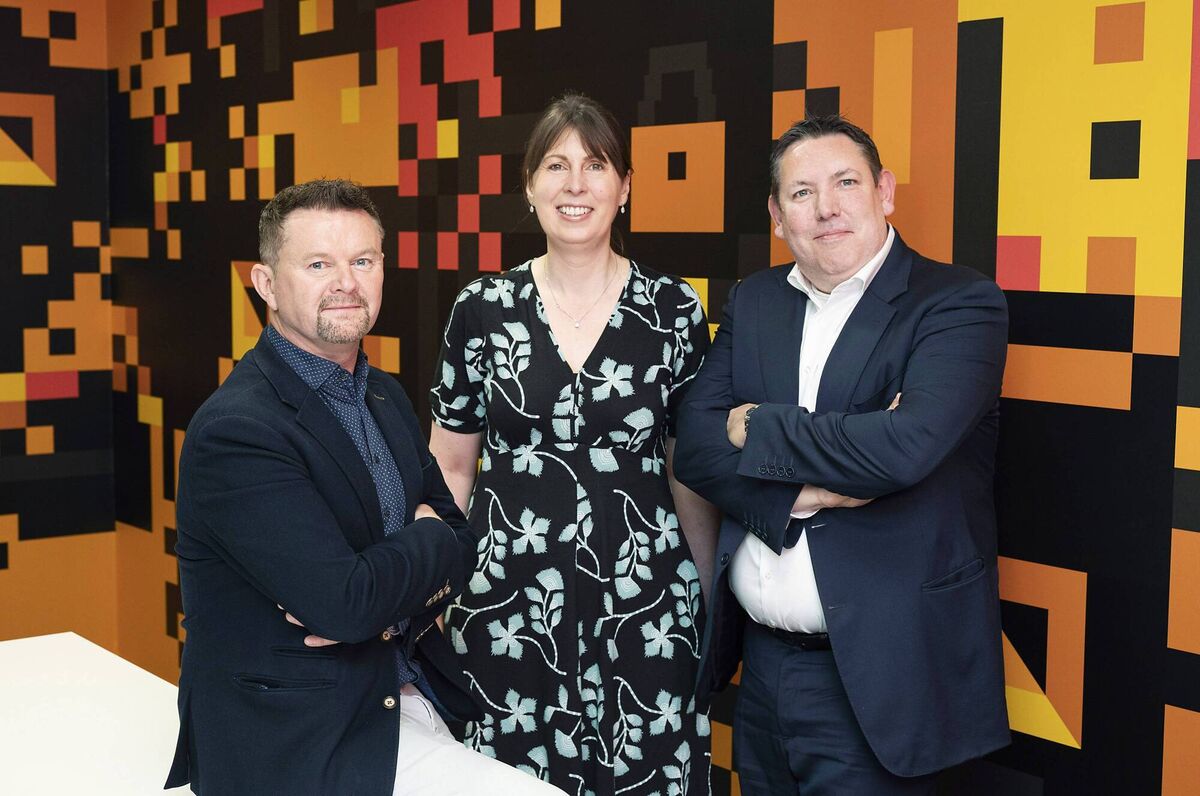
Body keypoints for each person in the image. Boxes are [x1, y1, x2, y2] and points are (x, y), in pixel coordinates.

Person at [165, 179, 564, 795]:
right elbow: (348, 602)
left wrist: (383, 589)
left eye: (363, 260)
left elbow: (461, 537)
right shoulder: (238, 431)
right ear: (266, 283)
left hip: (397, 695)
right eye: (318, 263)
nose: (345, 282)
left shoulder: (385, 395)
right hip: (294, 740)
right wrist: (408, 558)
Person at [674, 115, 1011, 794]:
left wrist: (757, 424)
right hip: (762, 670)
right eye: (801, 193)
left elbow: (902, 449)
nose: (826, 207)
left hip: (885, 676)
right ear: (776, 215)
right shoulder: (757, 300)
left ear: (884, 191)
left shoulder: (957, 303)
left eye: (846, 182)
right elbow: (697, 447)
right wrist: (821, 483)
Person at [428, 93, 719, 795]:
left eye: (596, 165)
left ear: (625, 186)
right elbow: (450, 466)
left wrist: (707, 606)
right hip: (503, 608)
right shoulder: (482, 310)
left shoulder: (674, 310)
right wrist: (427, 596)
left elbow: (689, 471)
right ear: (529, 188)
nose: (576, 184)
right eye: (555, 166)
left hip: (647, 608)